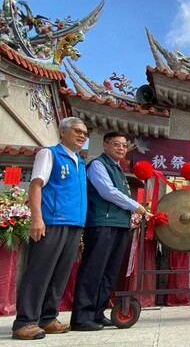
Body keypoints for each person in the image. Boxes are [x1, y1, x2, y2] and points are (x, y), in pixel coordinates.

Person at [12, 117, 88, 340]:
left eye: (85, 132)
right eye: (77, 131)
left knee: (60, 274)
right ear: (63, 132)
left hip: (74, 224)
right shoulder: (50, 153)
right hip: (52, 222)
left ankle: (47, 318)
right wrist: (37, 218)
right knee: (39, 271)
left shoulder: (80, 162)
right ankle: (25, 321)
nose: (82, 135)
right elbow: (36, 185)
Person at [70, 131, 149, 331]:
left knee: (110, 272)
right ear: (105, 145)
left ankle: (98, 312)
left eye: (124, 145)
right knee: (93, 269)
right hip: (101, 224)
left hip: (119, 225)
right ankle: (82, 317)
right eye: (116, 144)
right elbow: (107, 191)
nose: (121, 148)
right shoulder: (98, 165)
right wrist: (135, 205)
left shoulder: (119, 170)